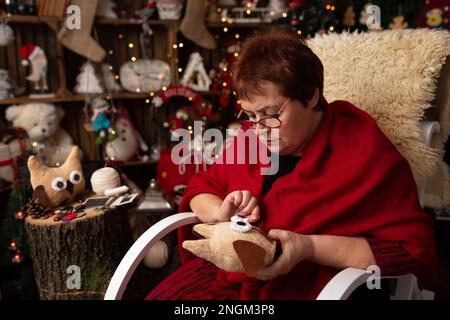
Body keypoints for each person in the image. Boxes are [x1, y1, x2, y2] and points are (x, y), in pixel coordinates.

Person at [146, 27, 437, 300]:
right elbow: (201, 187)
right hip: (231, 275)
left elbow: (408, 252)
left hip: (314, 281)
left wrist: (308, 247)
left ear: (311, 95)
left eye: (271, 113)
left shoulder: (362, 149)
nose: (259, 129)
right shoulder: (251, 137)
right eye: (249, 114)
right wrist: (220, 214)